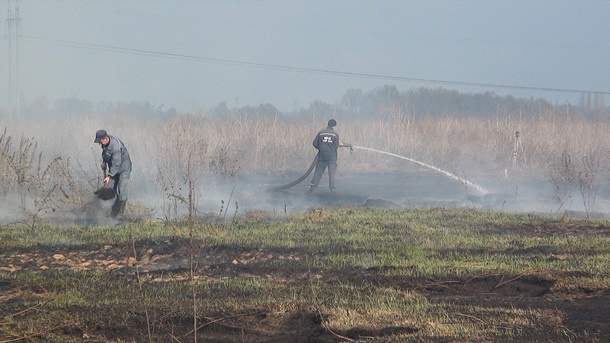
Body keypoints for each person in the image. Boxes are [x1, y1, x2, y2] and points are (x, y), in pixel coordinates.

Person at [94, 129, 132, 218]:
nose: (100, 144)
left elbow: (117, 163)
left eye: (100, 142)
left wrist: (109, 176)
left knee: (121, 188)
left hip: (124, 169)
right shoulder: (105, 144)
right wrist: (104, 162)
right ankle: (113, 212)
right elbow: (105, 154)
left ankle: (121, 213)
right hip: (114, 169)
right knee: (111, 189)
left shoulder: (116, 147)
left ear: (106, 138)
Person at [309, 119, 351, 194]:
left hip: (322, 156)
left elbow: (315, 143)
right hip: (332, 157)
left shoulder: (320, 133)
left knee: (318, 172)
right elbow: (336, 145)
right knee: (331, 173)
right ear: (334, 125)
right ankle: (332, 189)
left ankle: (312, 189)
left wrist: (321, 148)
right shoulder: (335, 134)